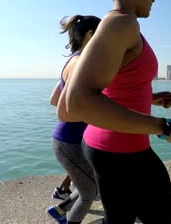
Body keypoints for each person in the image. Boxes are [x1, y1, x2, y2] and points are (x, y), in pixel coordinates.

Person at [57, 0, 171, 223]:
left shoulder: (121, 26)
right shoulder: (121, 24)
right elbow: (75, 104)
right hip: (117, 150)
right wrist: (165, 127)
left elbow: (110, 87)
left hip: (116, 146)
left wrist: (151, 98)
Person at [48, 15, 101, 224]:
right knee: (90, 192)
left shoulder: (73, 60)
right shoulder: (80, 63)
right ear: (90, 35)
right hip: (69, 142)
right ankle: (64, 215)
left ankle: (59, 210)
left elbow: (54, 99)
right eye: (102, 35)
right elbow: (63, 109)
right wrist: (96, 113)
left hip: (69, 139)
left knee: (91, 185)